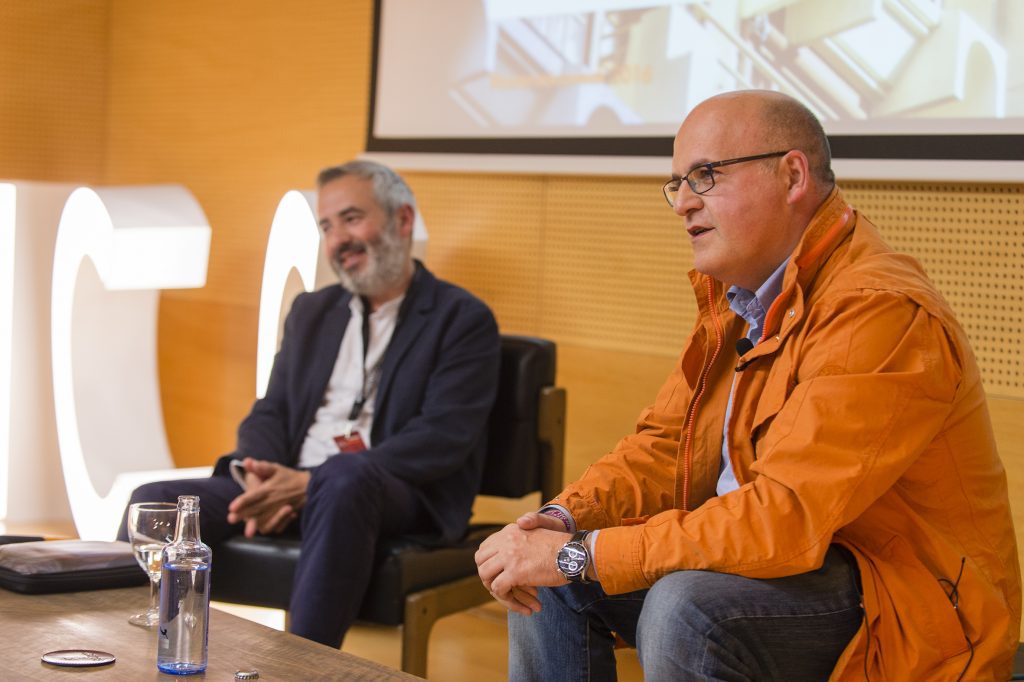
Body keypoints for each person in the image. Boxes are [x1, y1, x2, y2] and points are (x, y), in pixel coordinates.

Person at [475, 90, 1021, 680]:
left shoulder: (879, 309)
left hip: (908, 600)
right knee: (552, 580)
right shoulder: (743, 300)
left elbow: (784, 517)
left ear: (792, 175)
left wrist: (585, 554)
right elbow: (663, 448)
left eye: (704, 176)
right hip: (786, 568)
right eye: (678, 182)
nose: (682, 203)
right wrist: (559, 524)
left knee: (683, 606)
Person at [120, 159, 501, 648]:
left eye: (351, 218)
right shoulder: (312, 311)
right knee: (156, 503)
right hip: (294, 482)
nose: (339, 238)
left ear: (402, 221)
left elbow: (442, 438)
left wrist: (309, 483)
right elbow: (271, 409)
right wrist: (260, 476)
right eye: (327, 226)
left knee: (345, 476)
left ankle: (303, 669)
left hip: (391, 493)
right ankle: (136, 651)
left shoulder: (461, 318)